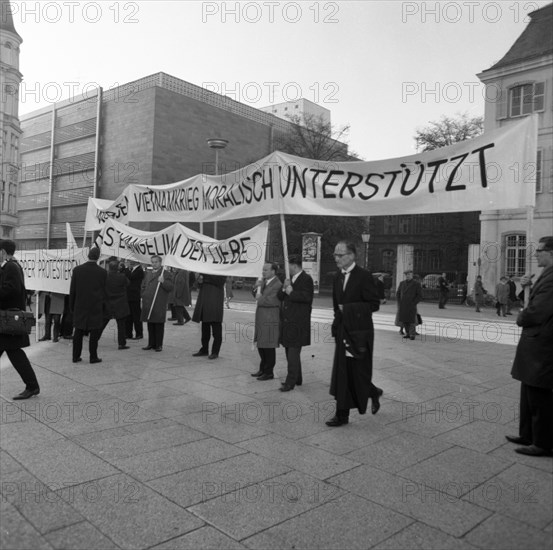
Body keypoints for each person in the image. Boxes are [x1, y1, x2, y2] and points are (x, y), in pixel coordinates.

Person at [326, 241, 382, 427]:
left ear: (351, 256)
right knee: (343, 373)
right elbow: (336, 306)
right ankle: (342, 415)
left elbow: (374, 304)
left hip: (359, 332)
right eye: (335, 255)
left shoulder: (364, 276)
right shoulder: (337, 277)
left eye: (339, 255)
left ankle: (372, 392)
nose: (336, 258)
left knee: (357, 371)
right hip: (343, 330)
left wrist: (348, 309)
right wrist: (336, 325)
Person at [507, 236, 553, 457]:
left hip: (543, 345)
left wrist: (521, 317)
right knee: (528, 391)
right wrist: (526, 286)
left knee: (539, 395)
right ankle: (527, 434)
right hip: (535, 343)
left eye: (540, 250)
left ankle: (543, 443)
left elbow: (538, 311)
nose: (535, 254)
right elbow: (533, 299)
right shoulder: (546, 275)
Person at [0, 239, 40, 400]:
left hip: (9, 319)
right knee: (14, 352)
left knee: (15, 353)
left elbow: (12, 290)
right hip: (7, 320)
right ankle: (32, 385)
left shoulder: (11, 266)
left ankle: (32, 386)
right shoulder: (10, 266)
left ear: (3, 251)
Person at [278, 255, 314, 392]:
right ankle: (297, 378)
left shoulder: (306, 279)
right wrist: (284, 288)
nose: (287, 269)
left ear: (294, 265)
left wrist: (291, 291)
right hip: (287, 321)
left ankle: (290, 382)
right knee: (289, 351)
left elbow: (306, 297)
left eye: (288, 266)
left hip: (298, 322)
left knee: (293, 353)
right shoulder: (289, 279)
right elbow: (280, 297)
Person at [69, 247, 106, 364]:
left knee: (78, 332)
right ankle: (93, 357)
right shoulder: (103, 272)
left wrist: (72, 306)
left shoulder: (77, 270)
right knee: (94, 333)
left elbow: (72, 290)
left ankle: (75, 356)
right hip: (95, 306)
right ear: (98, 256)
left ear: (88, 255)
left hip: (80, 305)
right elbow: (104, 292)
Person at [251, 263, 282, 381]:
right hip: (261, 317)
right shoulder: (263, 282)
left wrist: (260, 298)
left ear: (273, 271)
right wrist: (255, 287)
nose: (263, 272)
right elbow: (256, 294)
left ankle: (269, 372)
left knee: (268, 346)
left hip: (270, 317)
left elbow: (274, 300)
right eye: (263, 270)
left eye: (266, 270)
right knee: (261, 344)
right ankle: (262, 368)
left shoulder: (278, 284)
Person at [141, 256, 173, 352]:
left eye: (156, 262)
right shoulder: (148, 273)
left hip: (159, 302)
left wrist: (163, 282)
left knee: (158, 325)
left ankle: (159, 345)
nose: (154, 264)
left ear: (160, 262)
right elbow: (143, 285)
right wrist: (143, 295)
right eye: (152, 262)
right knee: (150, 324)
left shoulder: (166, 274)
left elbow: (171, 287)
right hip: (148, 301)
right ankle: (151, 343)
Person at [192, 273, 226, 359]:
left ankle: (215, 352)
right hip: (204, 301)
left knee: (216, 329)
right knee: (205, 329)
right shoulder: (204, 270)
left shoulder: (222, 269)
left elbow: (220, 281)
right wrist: (199, 280)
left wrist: (205, 277)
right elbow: (197, 285)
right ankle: (204, 349)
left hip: (215, 301)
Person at [102, 260, 130, 350]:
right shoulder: (122, 276)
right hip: (120, 303)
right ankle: (121, 344)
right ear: (118, 267)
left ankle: (95, 338)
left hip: (108, 302)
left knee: (102, 322)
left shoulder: (105, 276)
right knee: (121, 325)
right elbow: (128, 283)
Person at [396, 270, 422, 340]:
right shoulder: (402, 283)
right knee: (404, 320)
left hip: (411, 305)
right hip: (403, 305)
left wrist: (413, 303)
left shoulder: (416, 284)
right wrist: (399, 302)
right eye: (406, 274)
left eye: (409, 274)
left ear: (412, 275)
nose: (408, 276)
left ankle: (412, 334)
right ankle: (407, 333)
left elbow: (419, 296)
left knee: (411, 320)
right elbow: (398, 293)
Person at [125, 260, 144, 340]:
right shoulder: (131, 270)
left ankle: (139, 333)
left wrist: (126, 268)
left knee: (136, 316)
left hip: (135, 296)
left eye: (131, 261)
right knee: (129, 316)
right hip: (129, 296)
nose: (129, 262)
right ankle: (128, 333)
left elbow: (131, 277)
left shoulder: (139, 270)